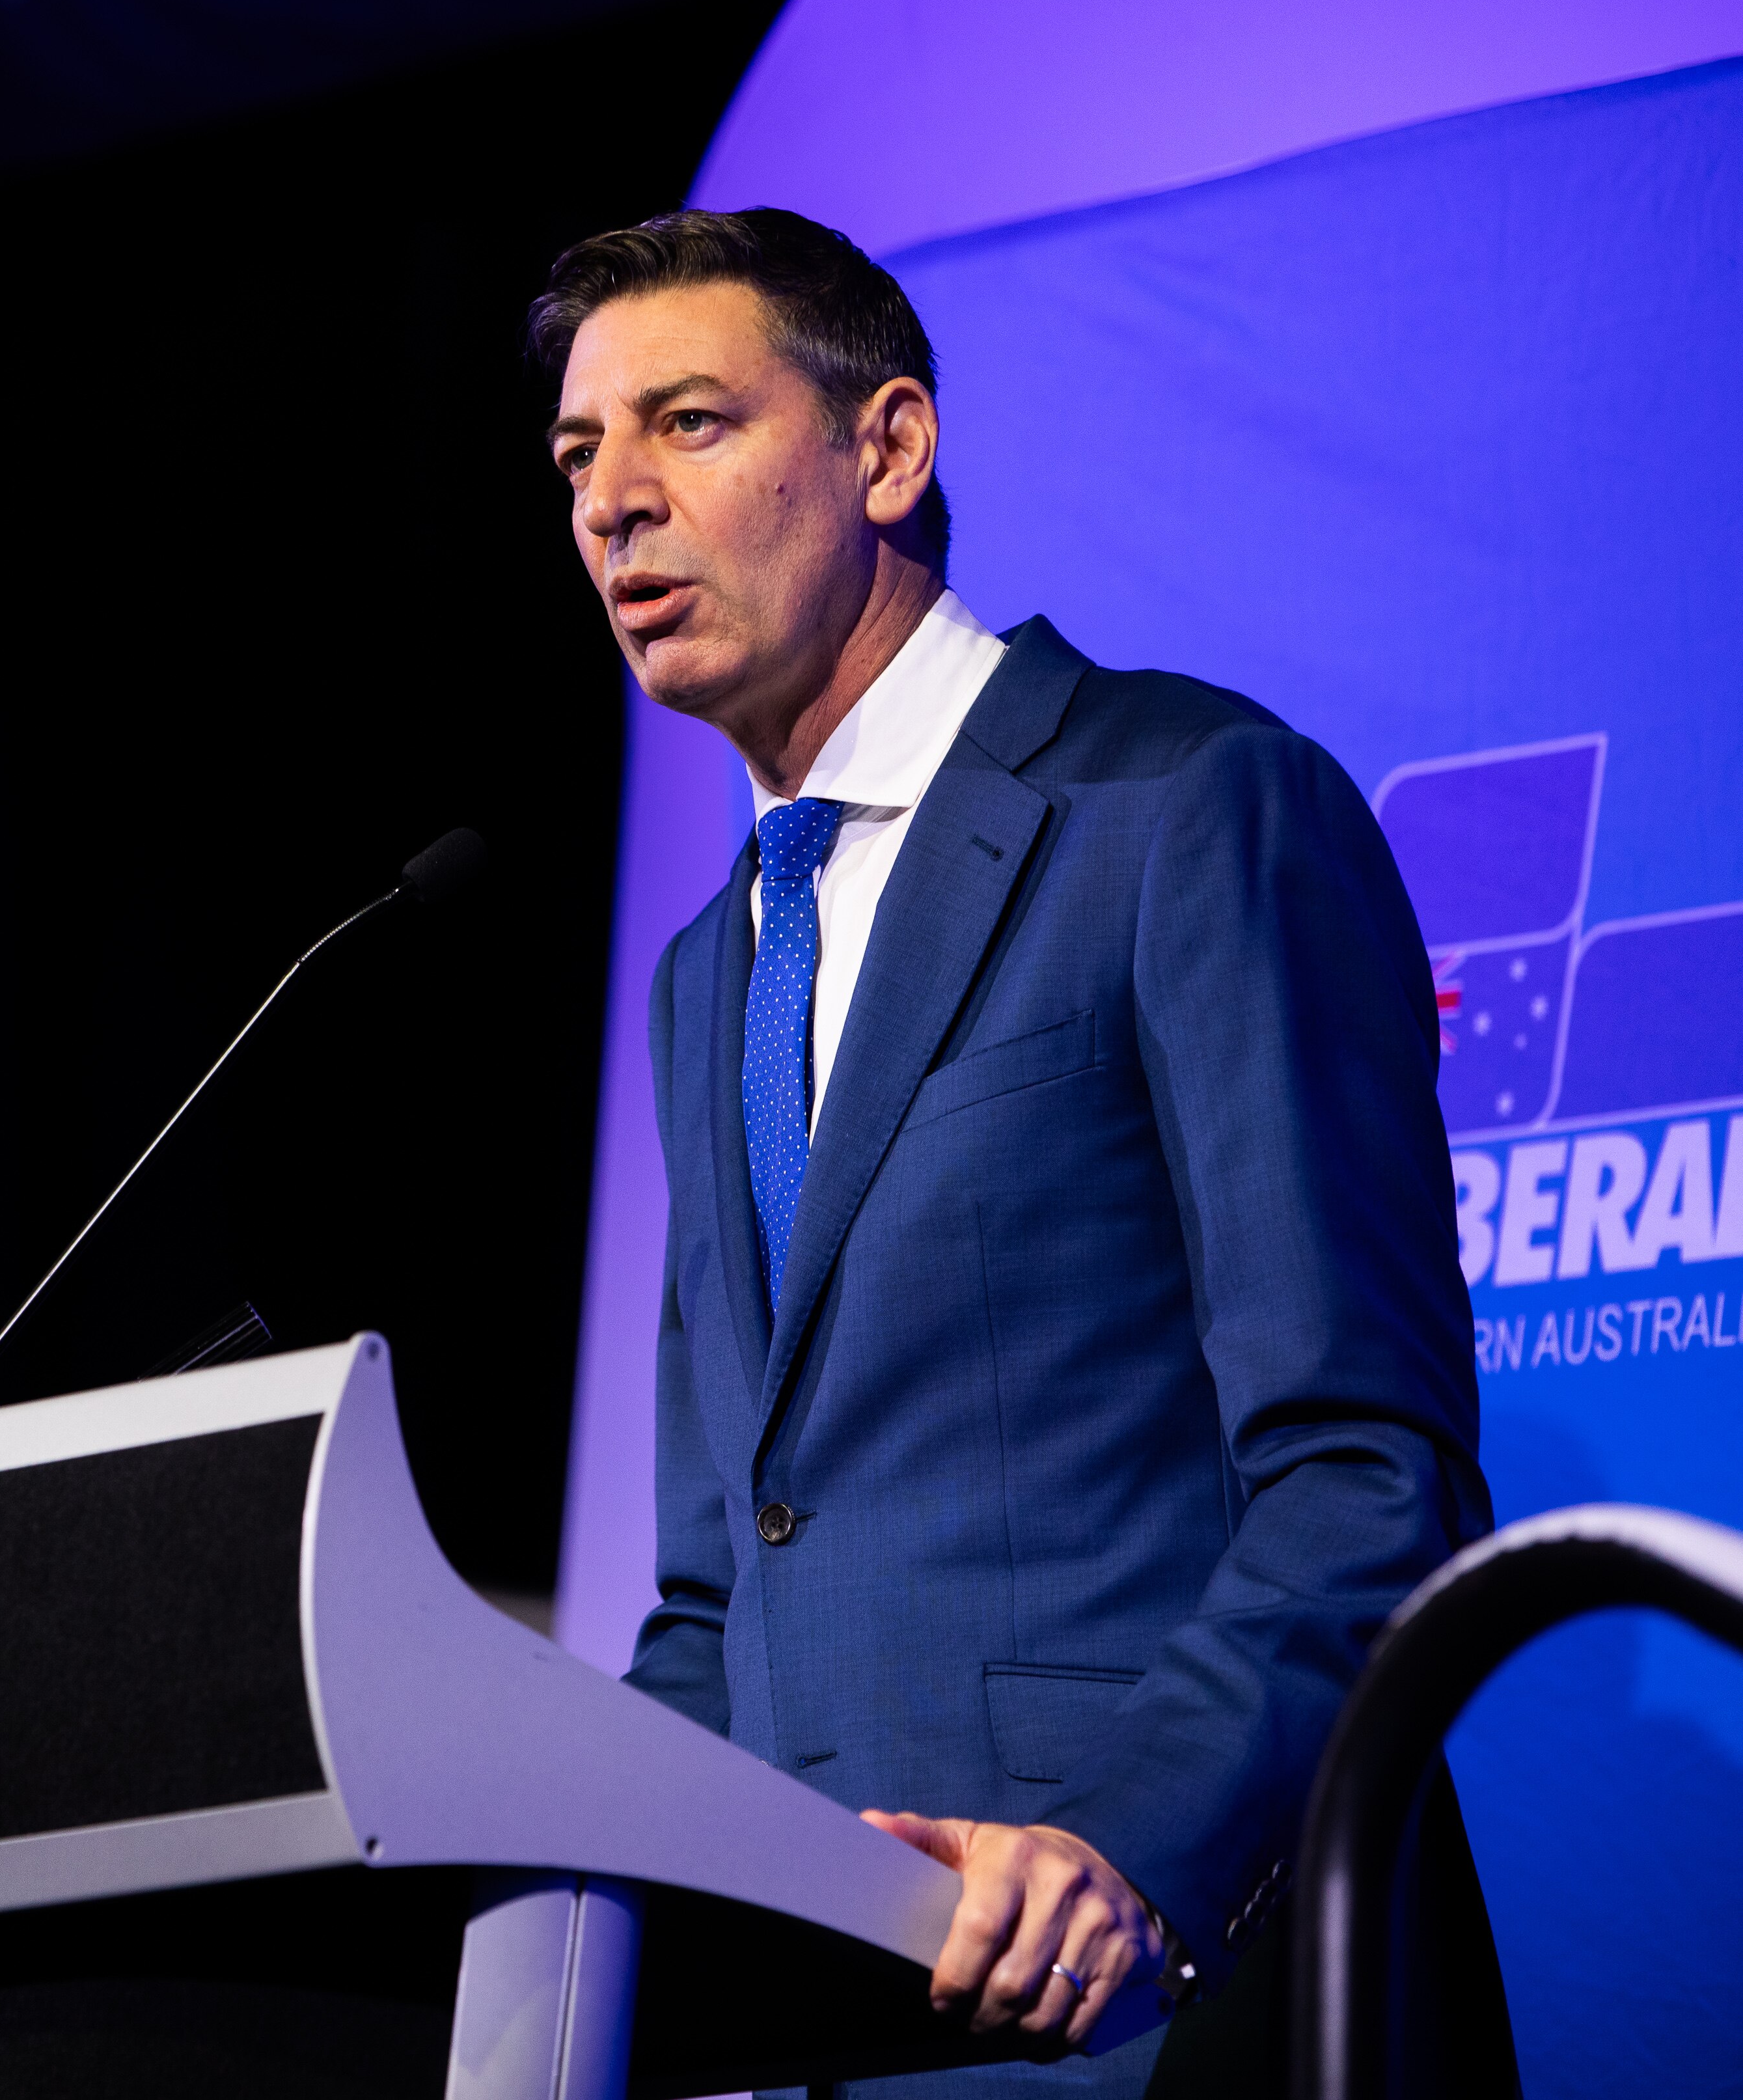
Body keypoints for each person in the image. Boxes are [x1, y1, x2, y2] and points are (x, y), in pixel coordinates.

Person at [532, 208, 1514, 2095]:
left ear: (889, 447)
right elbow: (723, 1587)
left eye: (688, 424)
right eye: (580, 458)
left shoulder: (1187, 809)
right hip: (843, 2031)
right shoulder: (704, 973)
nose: (615, 504)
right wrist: (570, 1923)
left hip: (1182, 1995)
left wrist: (1134, 1848)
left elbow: (1364, 1471)